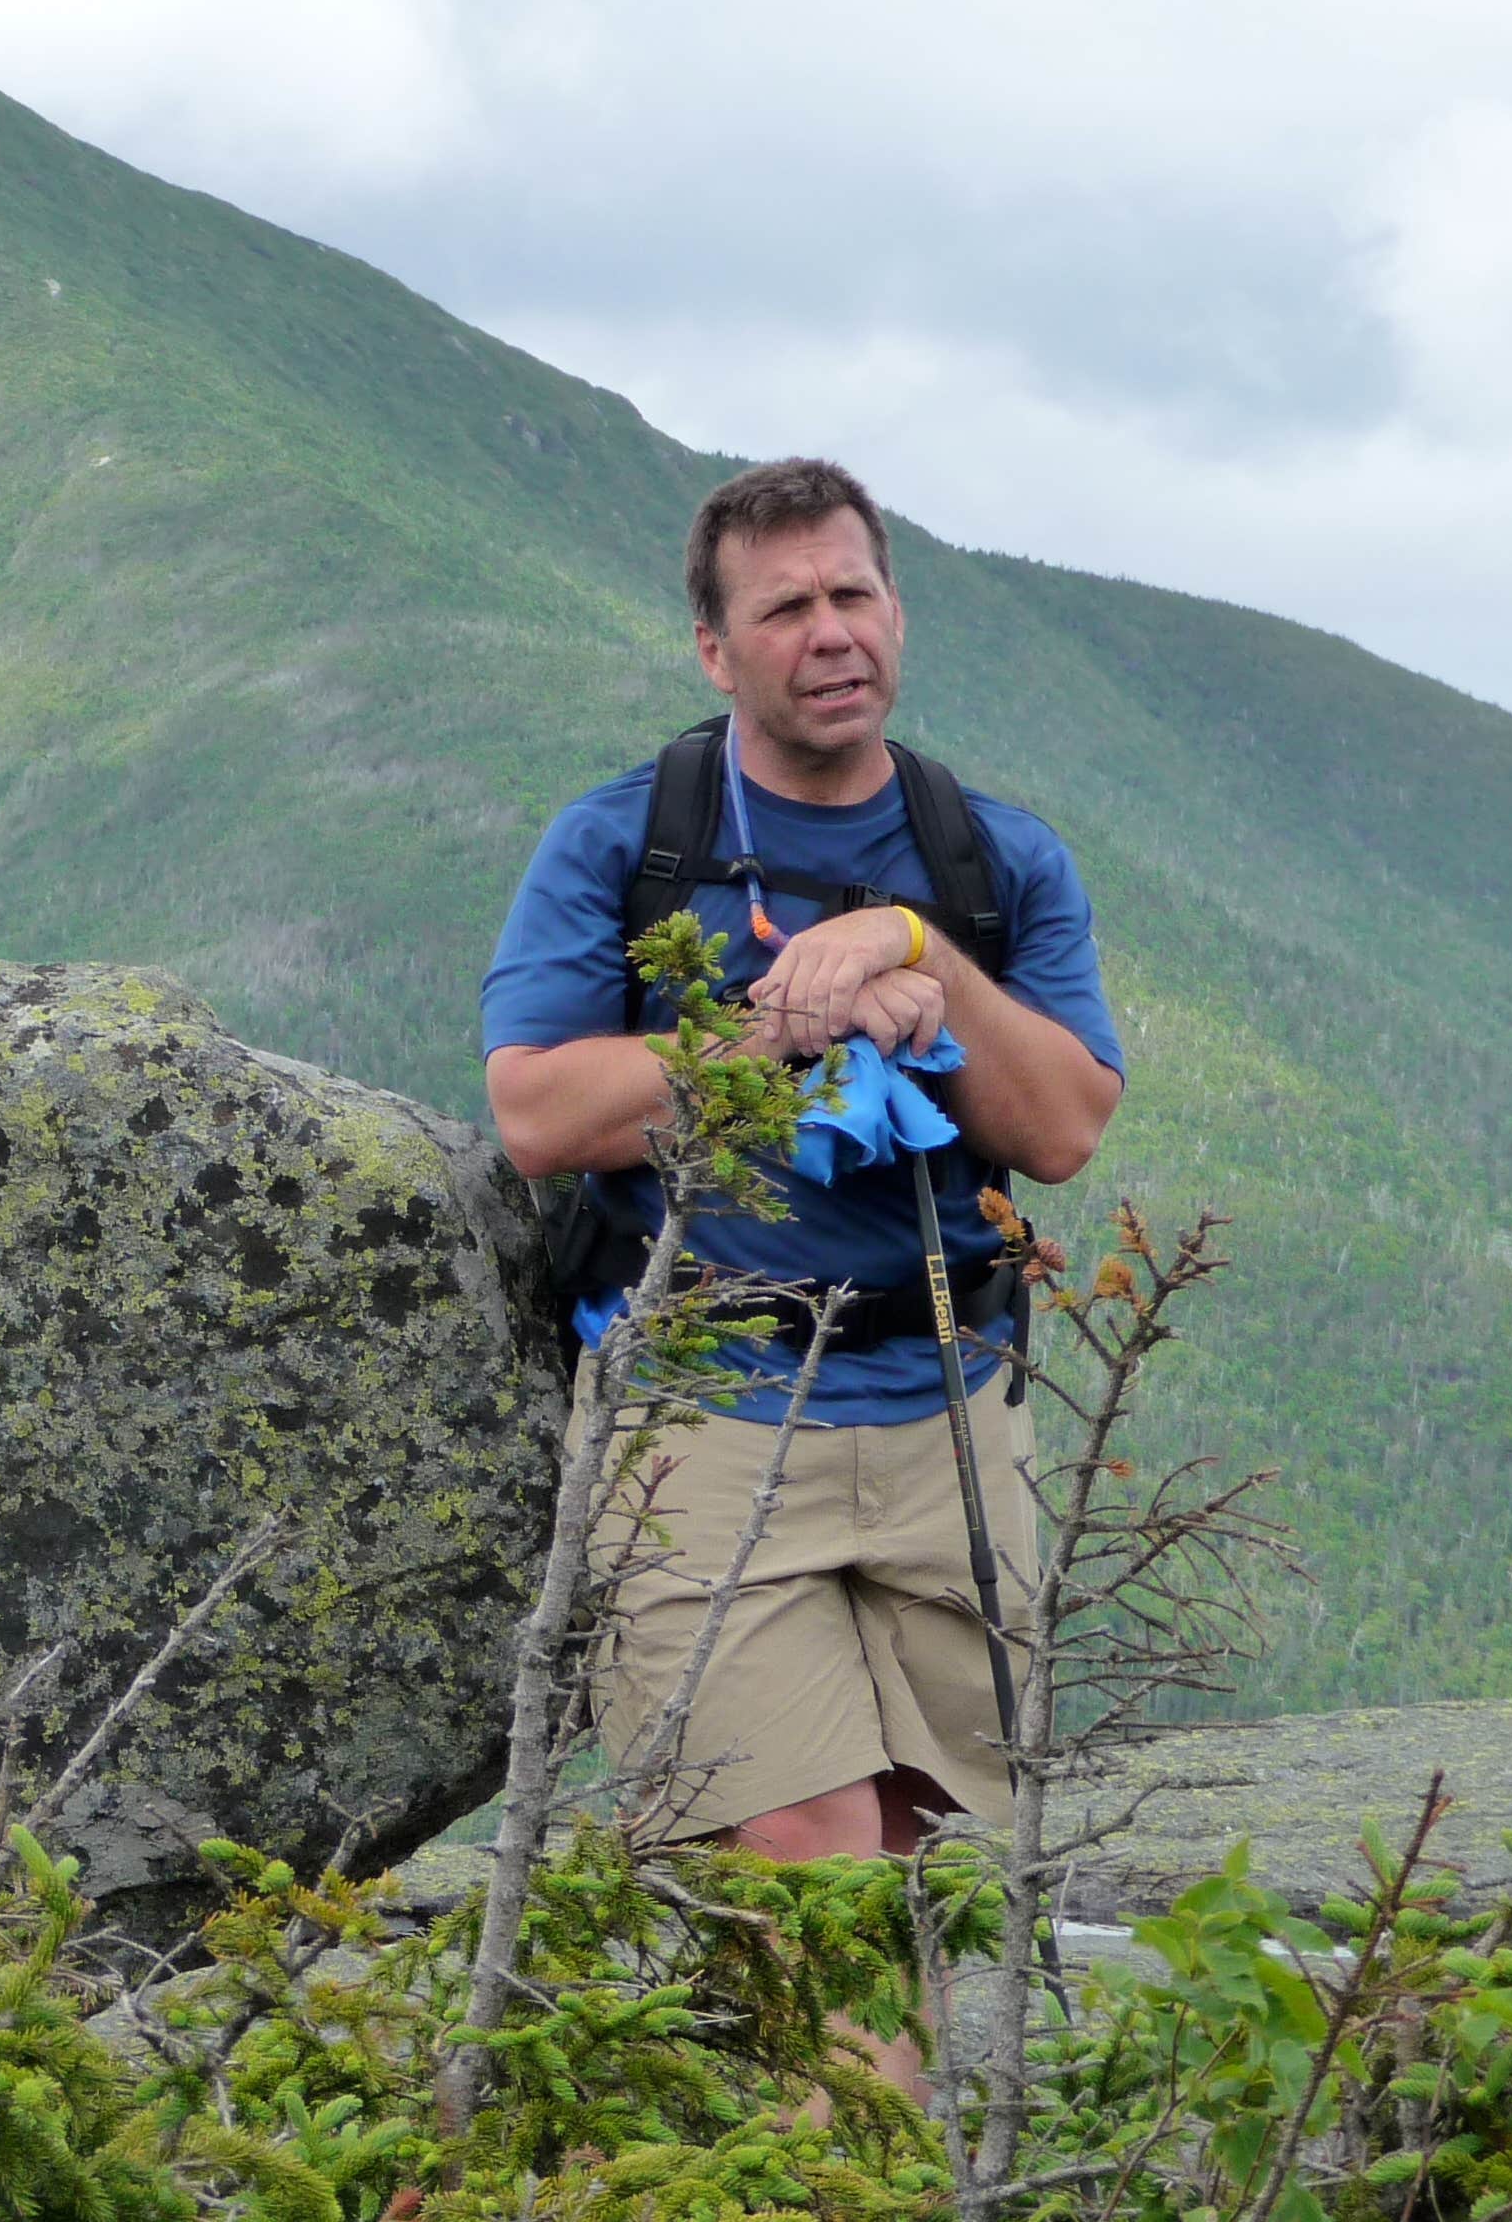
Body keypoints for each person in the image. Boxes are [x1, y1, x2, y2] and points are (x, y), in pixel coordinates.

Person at [479, 457, 1126, 2085]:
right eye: (785, 608)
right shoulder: (628, 843)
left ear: (896, 610)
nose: (829, 634)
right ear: (715, 649)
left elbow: (1058, 1132)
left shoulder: (989, 861)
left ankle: (802, 2157)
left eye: (853, 594)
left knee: (900, 1867)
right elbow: (540, 1111)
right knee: (814, 1881)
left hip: (952, 1413)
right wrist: (772, 1027)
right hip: (706, 1412)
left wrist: (918, 959)